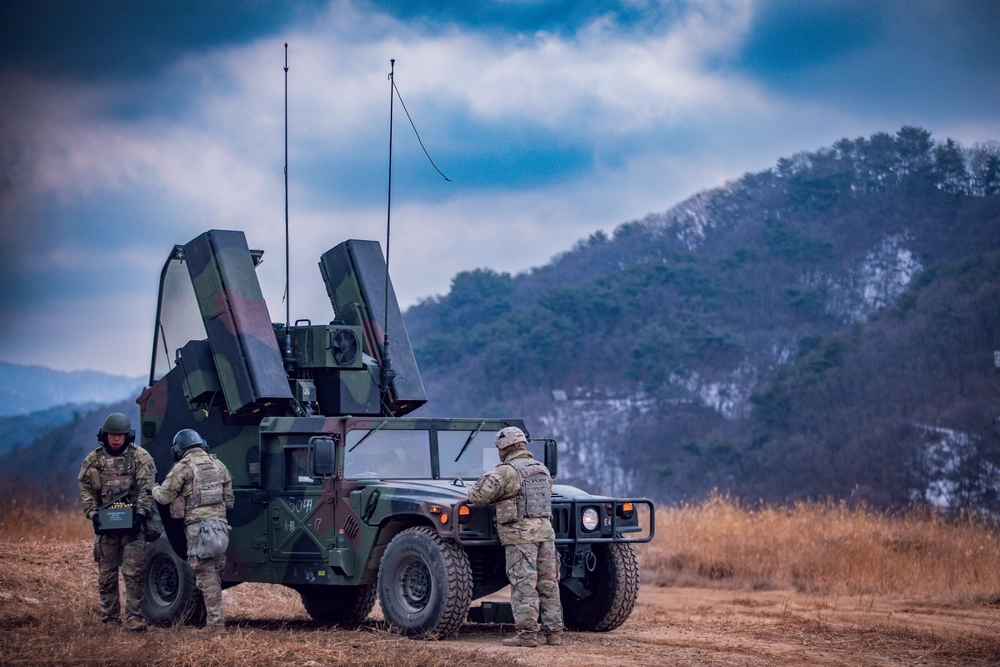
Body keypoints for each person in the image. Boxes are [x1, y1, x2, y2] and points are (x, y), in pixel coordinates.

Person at [467, 426, 564, 647]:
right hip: (545, 534)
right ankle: (554, 633)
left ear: (504, 447)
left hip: (520, 537)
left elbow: (478, 497)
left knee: (524, 584)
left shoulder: (505, 471)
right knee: (548, 583)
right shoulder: (542, 469)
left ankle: (527, 635)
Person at [78, 412, 156, 631]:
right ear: (105, 435)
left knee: (134, 572)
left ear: (127, 436)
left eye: (120, 435)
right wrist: (93, 514)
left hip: (134, 525)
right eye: (112, 435)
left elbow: (147, 488)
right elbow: (85, 489)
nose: (116, 439)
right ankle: (110, 619)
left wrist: (140, 514)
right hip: (106, 526)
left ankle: (134, 617)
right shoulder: (94, 460)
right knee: (107, 575)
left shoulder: (141, 458)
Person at [152, 429, 234, 632]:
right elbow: (229, 501)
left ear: (178, 449)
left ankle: (215, 624)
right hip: (220, 528)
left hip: (199, 530)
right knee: (211, 573)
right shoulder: (218, 464)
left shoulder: (184, 468)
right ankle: (208, 619)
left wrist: (152, 488)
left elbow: (163, 497)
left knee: (205, 574)